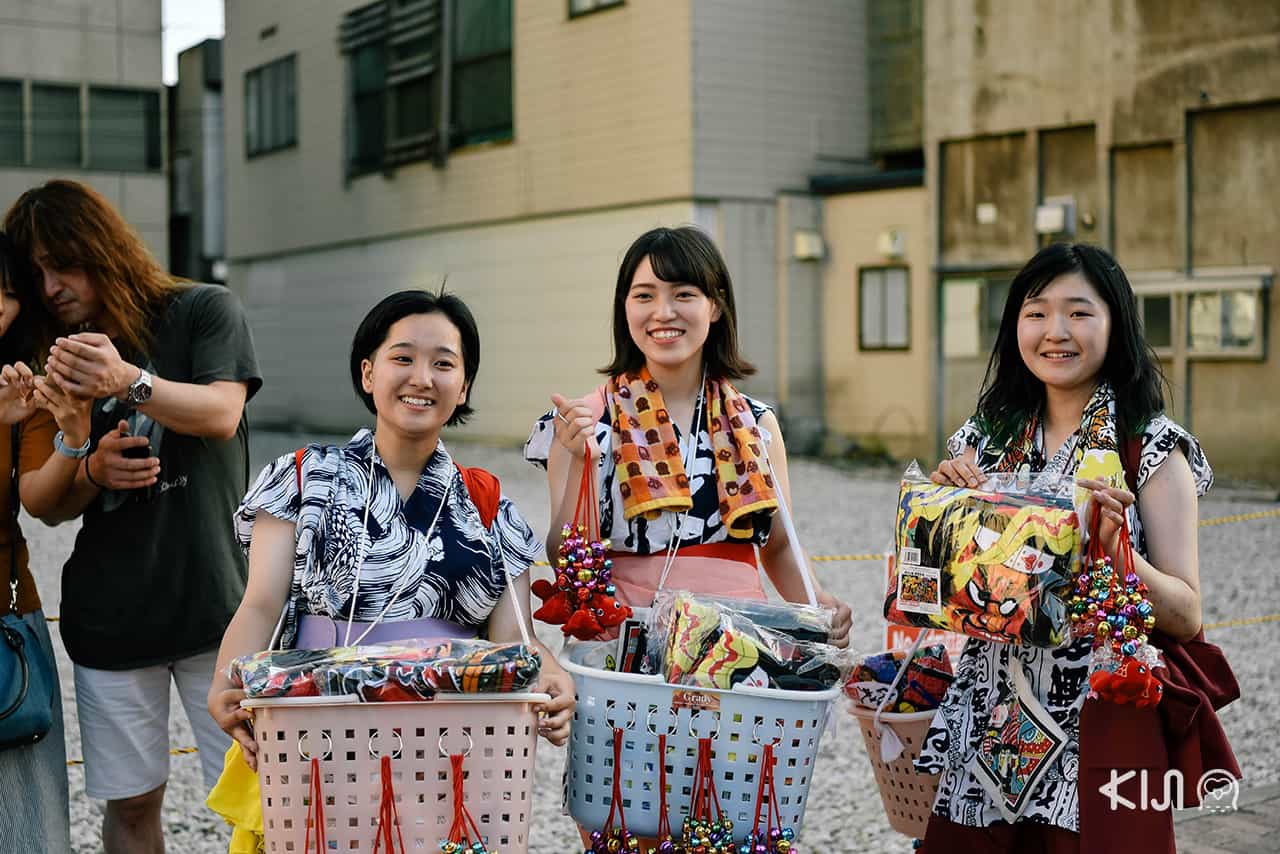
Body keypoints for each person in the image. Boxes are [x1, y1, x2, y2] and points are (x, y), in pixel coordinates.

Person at [915, 243, 1213, 853]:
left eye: (1079, 312)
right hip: (991, 722)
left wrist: (1118, 553)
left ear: (1116, 324)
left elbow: (1186, 614)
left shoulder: (1152, 450)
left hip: (1105, 718)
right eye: (1036, 312)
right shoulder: (983, 440)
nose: (1056, 331)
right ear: (1014, 326)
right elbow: (937, 595)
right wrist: (937, 518)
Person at [208, 289, 575, 773]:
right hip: (319, 721)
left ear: (464, 386)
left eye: (444, 364)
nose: (421, 378)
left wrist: (551, 676)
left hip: (450, 737)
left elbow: (516, 639)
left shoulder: (489, 505)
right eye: (402, 357)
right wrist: (223, 681)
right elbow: (261, 604)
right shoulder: (302, 477)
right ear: (368, 372)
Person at [3, 179, 263, 854]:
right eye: (36, 274)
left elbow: (221, 413)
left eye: (63, 262)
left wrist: (130, 382)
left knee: (262, 803)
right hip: (112, 619)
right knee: (133, 803)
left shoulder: (203, 310)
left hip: (220, 611)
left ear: (102, 246)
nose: (51, 284)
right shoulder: (51, 350)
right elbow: (43, 503)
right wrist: (88, 464)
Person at [524, 226, 852, 644]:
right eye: (644, 295)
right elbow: (564, 555)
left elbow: (780, 546)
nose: (663, 312)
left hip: (737, 645)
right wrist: (579, 458)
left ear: (714, 307)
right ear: (624, 308)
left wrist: (818, 603)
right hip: (622, 642)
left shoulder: (756, 423)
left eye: (683, 294)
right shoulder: (584, 420)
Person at [0, 230, 101, 853]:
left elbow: (40, 500)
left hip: (7, 616)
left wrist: (72, 435)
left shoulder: (18, 383)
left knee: (28, 829)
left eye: (9, 295)